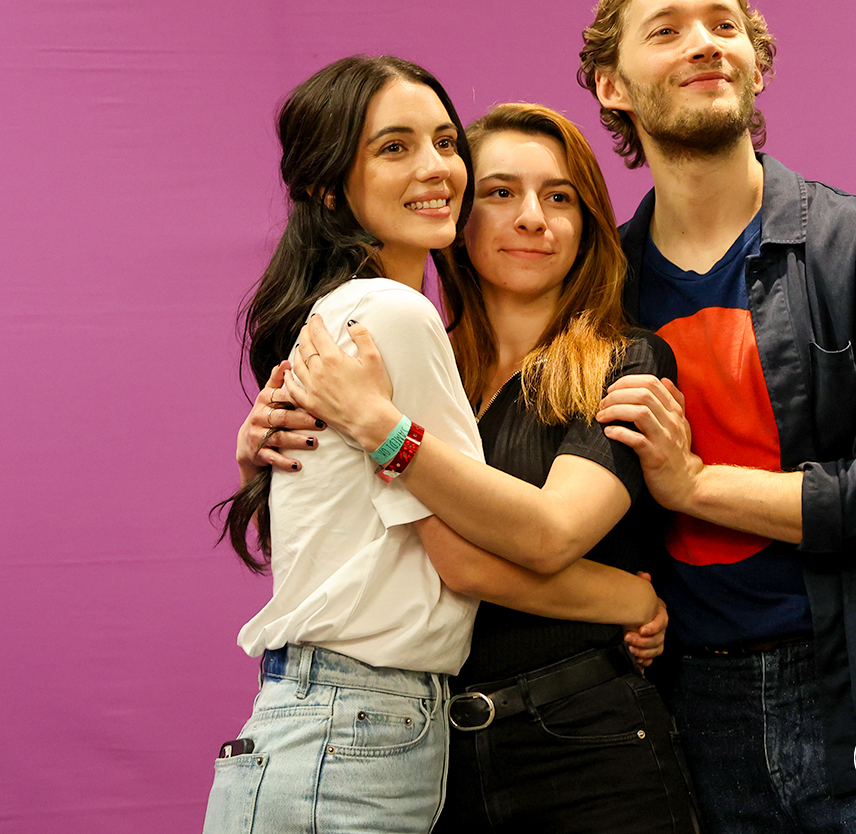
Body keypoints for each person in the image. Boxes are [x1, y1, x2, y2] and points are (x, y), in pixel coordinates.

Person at [576, 0, 856, 833]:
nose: (703, 43)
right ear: (612, 86)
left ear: (756, 64)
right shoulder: (598, 293)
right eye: (666, 30)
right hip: (692, 713)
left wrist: (694, 485)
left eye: (723, 24)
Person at [204, 58, 664, 834]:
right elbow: (462, 556)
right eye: (500, 191)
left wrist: (352, 439)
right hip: (372, 727)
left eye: (561, 197)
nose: (531, 218)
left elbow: (530, 533)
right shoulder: (398, 323)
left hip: (516, 740)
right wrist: (633, 597)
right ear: (329, 186)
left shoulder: (617, 360)